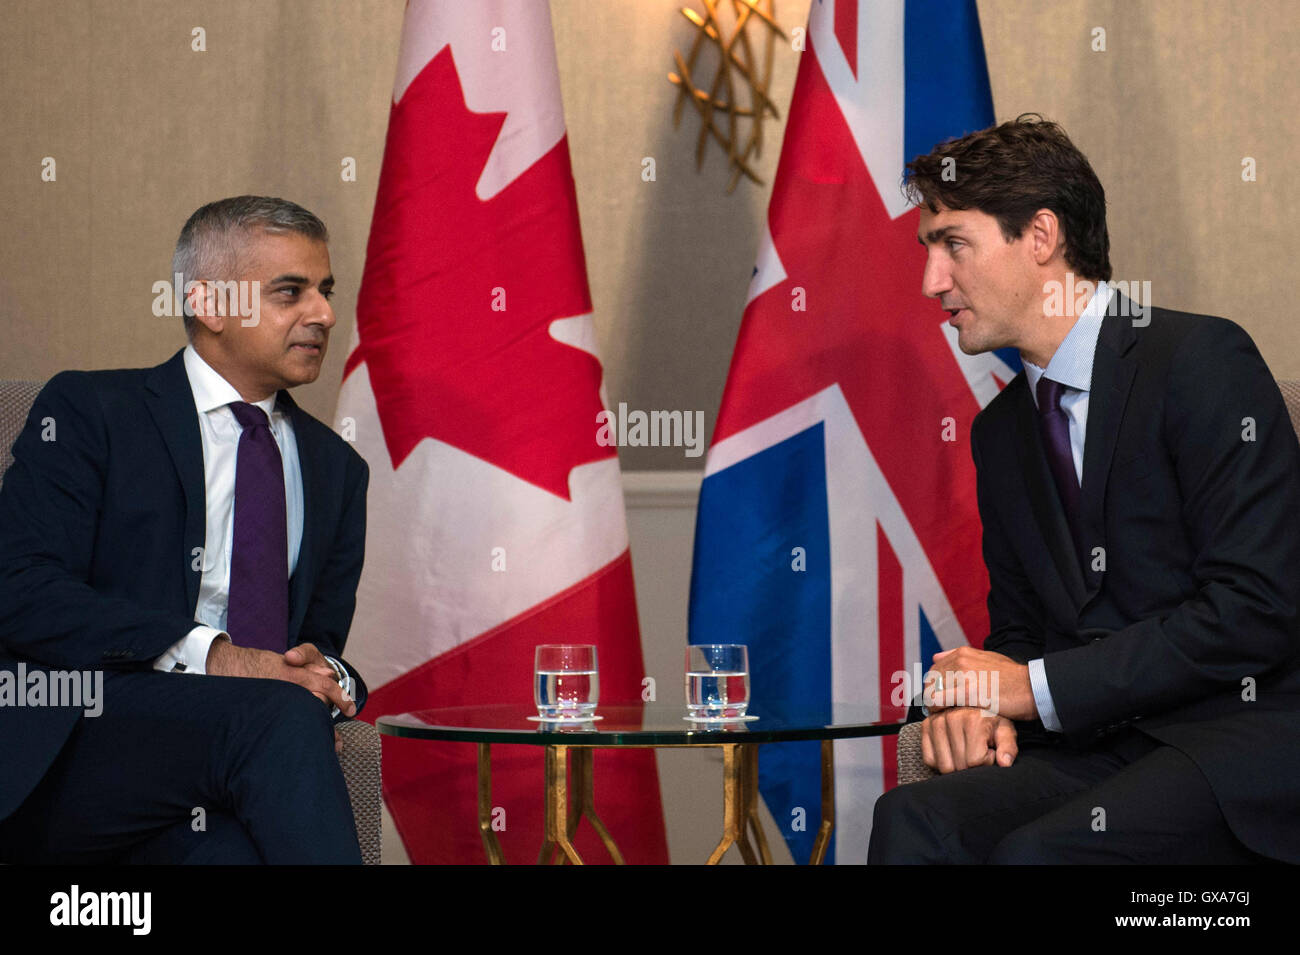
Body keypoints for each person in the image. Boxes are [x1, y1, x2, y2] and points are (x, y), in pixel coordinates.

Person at [868, 116, 1300, 864]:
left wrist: (1027, 690)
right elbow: (1021, 630)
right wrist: (978, 704)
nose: (931, 281)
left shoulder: (1200, 359)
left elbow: (1254, 610)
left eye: (953, 245)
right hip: (1100, 746)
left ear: (1040, 237)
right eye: (928, 250)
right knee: (912, 820)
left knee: (1040, 854)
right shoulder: (1001, 430)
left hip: (1233, 744)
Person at [0, 196, 369, 863]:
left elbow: (316, 644)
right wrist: (220, 657)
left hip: (231, 763)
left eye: (325, 290)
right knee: (279, 717)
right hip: (80, 749)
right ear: (209, 302)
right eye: (291, 292)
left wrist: (330, 678)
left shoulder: (337, 468)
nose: (324, 315)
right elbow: (20, 591)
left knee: (229, 853)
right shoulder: (91, 411)